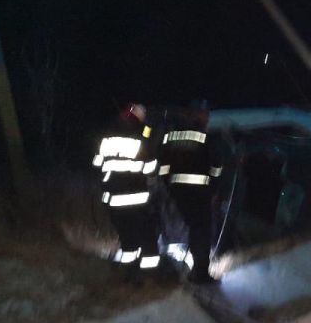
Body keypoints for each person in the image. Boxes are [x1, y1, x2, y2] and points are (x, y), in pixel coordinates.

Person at [92, 103, 164, 280]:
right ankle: (151, 275)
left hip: (113, 201)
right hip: (136, 200)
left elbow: (97, 164)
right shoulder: (139, 140)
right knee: (147, 236)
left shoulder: (106, 140)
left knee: (127, 239)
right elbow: (150, 168)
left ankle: (131, 275)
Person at [157, 105, 223, 284]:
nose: (208, 120)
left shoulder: (172, 137)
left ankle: (196, 270)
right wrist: (214, 189)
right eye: (206, 116)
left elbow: (163, 166)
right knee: (202, 231)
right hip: (200, 193)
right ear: (199, 117)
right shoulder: (204, 137)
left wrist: (170, 187)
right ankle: (200, 274)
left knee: (194, 228)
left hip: (179, 192)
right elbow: (216, 166)